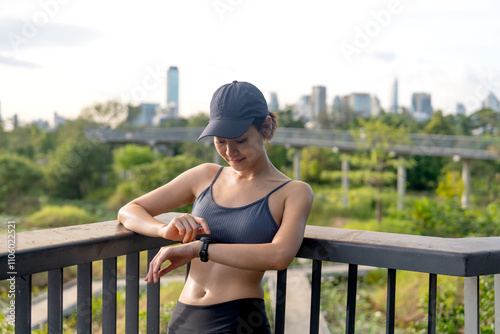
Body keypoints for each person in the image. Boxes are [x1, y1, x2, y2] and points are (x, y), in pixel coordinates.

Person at [118, 80, 314, 333]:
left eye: (241, 141)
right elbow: (128, 211)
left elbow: (279, 256)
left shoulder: (293, 192)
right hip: (183, 319)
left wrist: (200, 249)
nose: (230, 152)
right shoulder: (204, 176)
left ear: (265, 127)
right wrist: (163, 230)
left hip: (237, 320)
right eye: (220, 141)